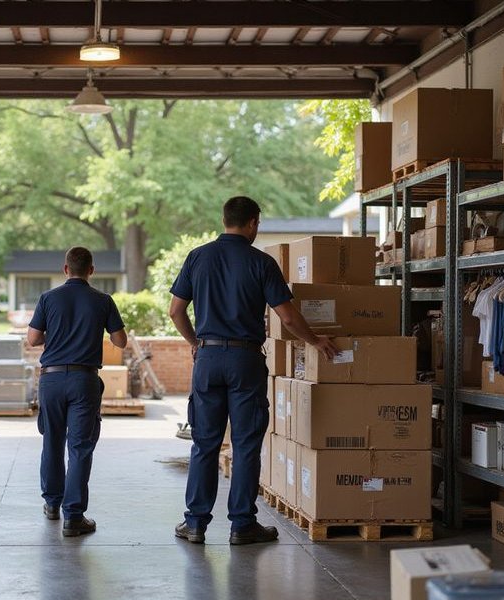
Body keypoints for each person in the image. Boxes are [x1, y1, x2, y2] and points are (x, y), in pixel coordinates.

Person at [168, 196, 338, 545]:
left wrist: (194, 343)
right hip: (245, 361)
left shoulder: (197, 257)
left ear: (225, 219)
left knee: (204, 443)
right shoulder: (261, 262)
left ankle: (196, 523)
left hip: (209, 357)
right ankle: (242, 524)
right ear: (253, 223)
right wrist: (315, 341)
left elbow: (175, 310)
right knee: (245, 444)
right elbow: (288, 317)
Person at [27, 247, 127, 537]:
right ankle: (73, 516)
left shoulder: (48, 298)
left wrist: (56, 335)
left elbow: (33, 339)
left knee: (53, 441)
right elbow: (120, 341)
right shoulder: (103, 301)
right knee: (81, 447)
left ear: (65, 269)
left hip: (52, 380)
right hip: (84, 380)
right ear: (91, 270)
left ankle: (51, 504)